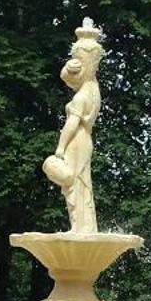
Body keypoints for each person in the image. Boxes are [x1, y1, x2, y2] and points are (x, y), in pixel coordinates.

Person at [43, 18, 103, 233]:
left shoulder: (81, 97)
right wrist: (67, 70)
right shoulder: (93, 88)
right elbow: (71, 79)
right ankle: (85, 226)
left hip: (76, 141)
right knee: (80, 184)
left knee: (73, 184)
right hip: (84, 140)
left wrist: (59, 148)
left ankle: (79, 227)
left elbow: (70, 125)